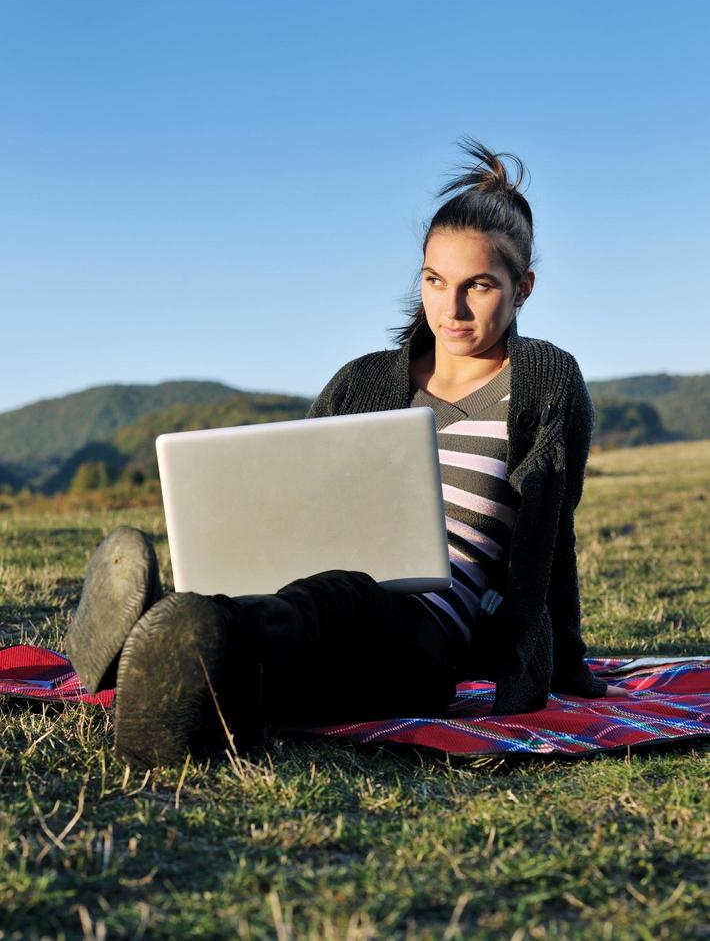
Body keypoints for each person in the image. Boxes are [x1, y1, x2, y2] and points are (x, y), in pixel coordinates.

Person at [64, 138, 624, 768]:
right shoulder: (361, 382)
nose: (452, 308)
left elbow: (555, 530)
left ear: (523, 288)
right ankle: (192, 667)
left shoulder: (546, 380)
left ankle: (179, 631)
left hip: (425, 642)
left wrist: (569, 662)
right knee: (312, 628)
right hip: (313, 609)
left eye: (480, 286)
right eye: (436, 281)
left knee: (347, 598)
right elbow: (297, 497)